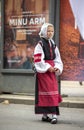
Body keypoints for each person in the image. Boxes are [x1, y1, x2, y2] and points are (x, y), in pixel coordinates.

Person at [34, 23, 63, 124]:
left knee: (53, 92)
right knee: (46, 93)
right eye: (48, 31)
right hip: (44, 72)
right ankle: (49, 115)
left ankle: (50, 115)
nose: (50, 33)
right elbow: (37, 59)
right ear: (43, 31)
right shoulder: (40, 44)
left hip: (51, 72)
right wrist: (47, 67)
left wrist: (57, 67)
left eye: (52, 31)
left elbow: (57, 58)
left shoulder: (53, 44)